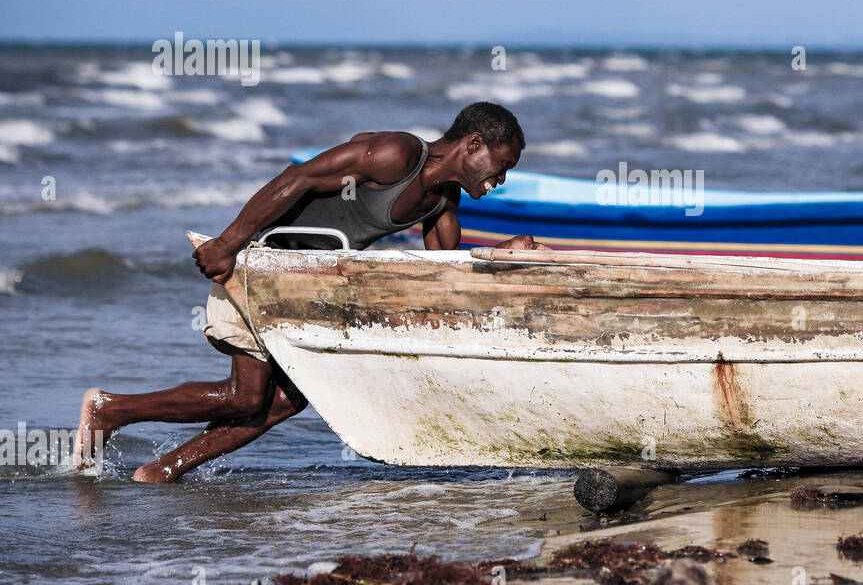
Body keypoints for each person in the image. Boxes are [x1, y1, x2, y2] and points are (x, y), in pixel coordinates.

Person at [73, 101, 546, 482]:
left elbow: (442, 268)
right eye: (501, 165)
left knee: (288, 398)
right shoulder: (395, 154)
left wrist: (503, 252)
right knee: (244, 398)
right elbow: (295, 178)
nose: (499, 179)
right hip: (261, 264)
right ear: (475, 143)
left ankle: (159, 470)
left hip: (310, 284)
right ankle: (109, 409)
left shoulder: (443, 200)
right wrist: (227, 244)